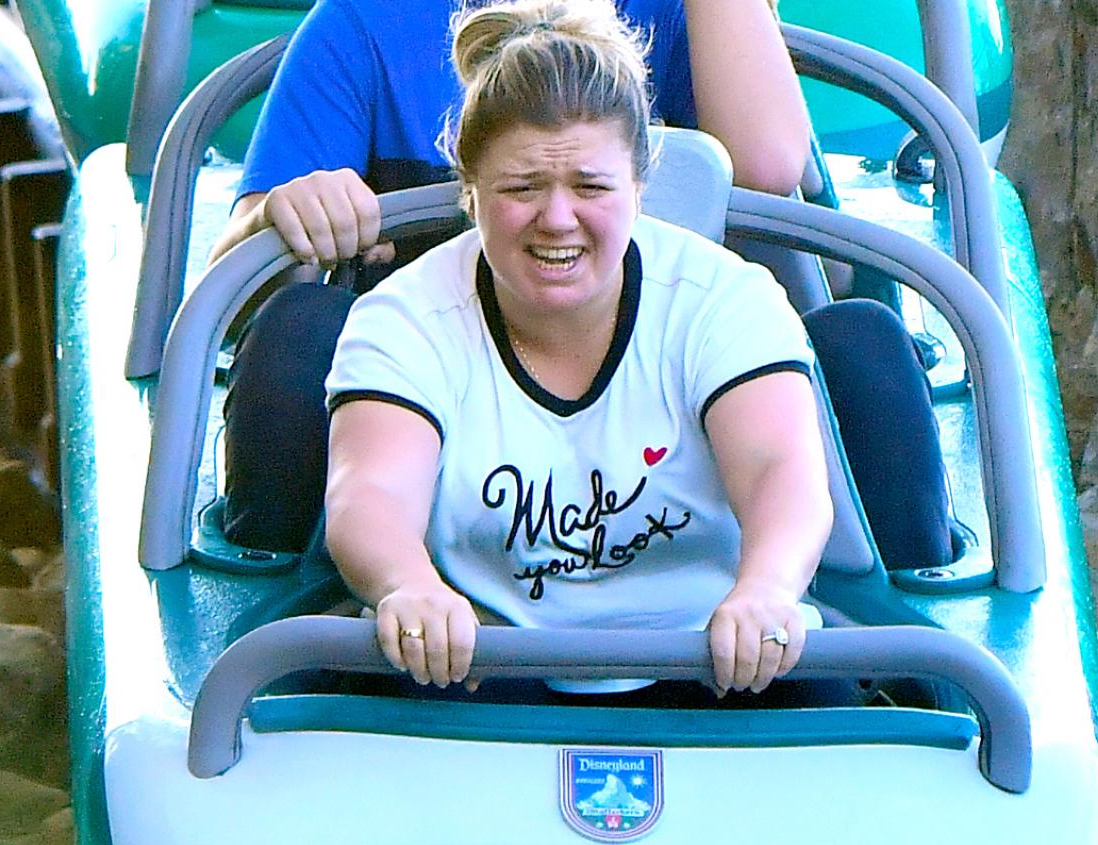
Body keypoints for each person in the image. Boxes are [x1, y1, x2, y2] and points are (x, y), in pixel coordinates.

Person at [322, 0, 832, 699]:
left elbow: (782, 469)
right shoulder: (406, 319)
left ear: (640, 186)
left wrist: (768, 590)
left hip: (712, 655)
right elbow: (370, 490)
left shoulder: (724, 300)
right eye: (521, 188)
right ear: (468, 192)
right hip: (483, 660)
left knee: (821, 695)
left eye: (590, 186)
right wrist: (408, 586)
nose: (557, 218)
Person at [215, 0, 812, 552]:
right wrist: (289, 213)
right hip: (424, 424)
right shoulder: (367, 19)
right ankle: (293, 609)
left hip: (660, 415)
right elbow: (234, 293)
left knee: (860, 341)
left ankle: (867, 623)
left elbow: (767, 168)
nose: (557, 218)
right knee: (296, 329)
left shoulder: (685, 16)